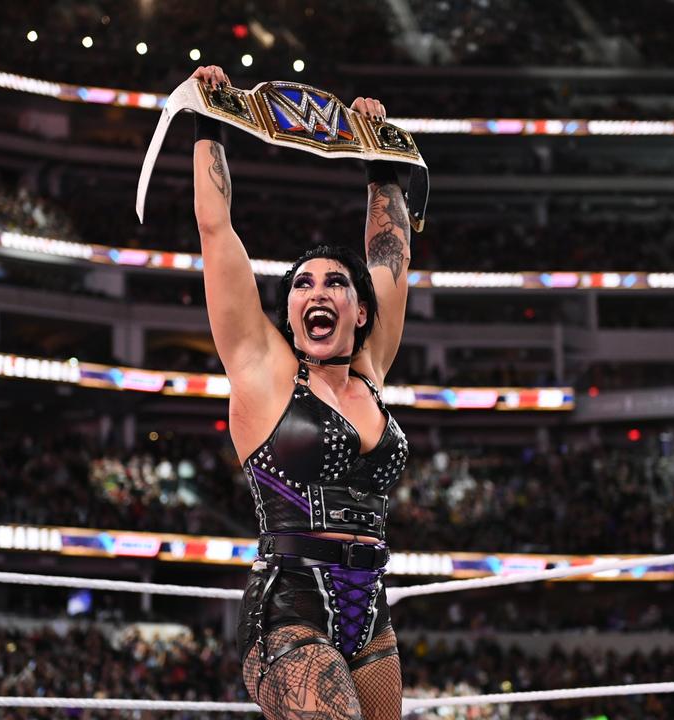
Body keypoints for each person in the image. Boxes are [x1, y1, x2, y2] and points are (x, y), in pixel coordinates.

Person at [188, 65, 413, 720]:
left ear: (359, 311)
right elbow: (216, 232)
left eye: (335, 282)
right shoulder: (265, 371)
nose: (318, 290)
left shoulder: (372, 371)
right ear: (287, 314)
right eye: (303, 283)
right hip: (286, 611)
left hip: (370, 611)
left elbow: (390, 261)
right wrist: (211, 120)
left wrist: (384, 166)